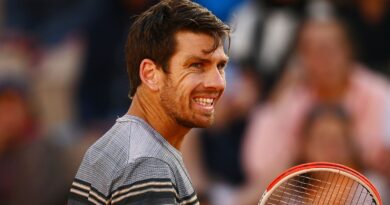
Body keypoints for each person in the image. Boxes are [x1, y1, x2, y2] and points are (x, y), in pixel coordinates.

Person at [67, 0, 230, 204]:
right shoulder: (149, 166)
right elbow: (88, 88)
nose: (217, 82)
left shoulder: (121, 149)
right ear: (150, 74)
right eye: (196, 65)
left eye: (221, 66)